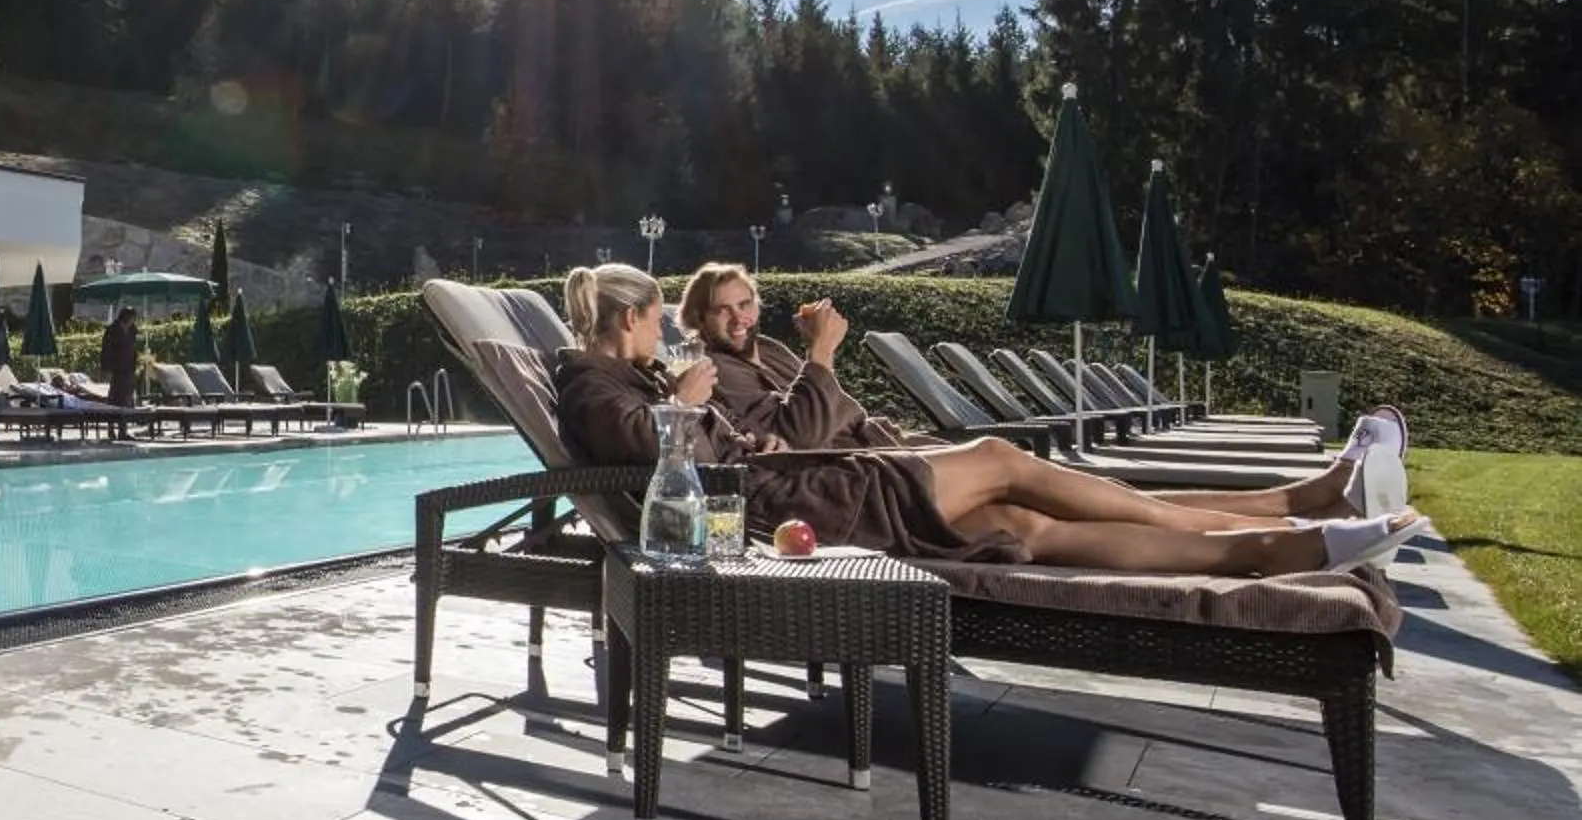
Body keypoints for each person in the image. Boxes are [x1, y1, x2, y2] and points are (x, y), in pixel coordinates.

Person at [553, 262, 1422, 576]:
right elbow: (668, 445)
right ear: (628, 319)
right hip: (806, 498)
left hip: (813, 476)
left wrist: (711, 412)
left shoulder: (637, 373)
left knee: (1018, 521)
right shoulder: (599, 383)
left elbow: (745, 431)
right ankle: (1299, 511)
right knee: (1006, 455)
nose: (668, 329)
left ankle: (1280, 537)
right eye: (662, 316)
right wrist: (693, 407)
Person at [680, 262, 902, 451]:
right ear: (699, 320)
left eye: (744, 305)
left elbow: (835, 405)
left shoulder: (768, 348)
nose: (739, 319)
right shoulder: (712, 368)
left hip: (873, 439)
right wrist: (820, 349)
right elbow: (803, 436)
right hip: (845, 461)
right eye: (723, 310)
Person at [98, 305, 140, 406]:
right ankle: (113, 412)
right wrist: (106, 368)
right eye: (131, 318)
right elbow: (106, 349)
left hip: (129, 366)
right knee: (116, 391)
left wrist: (135, 362)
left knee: (128, 389)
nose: (132, 321)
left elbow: (134, 347)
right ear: (126, 317)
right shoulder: (113, 330)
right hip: (116, 366)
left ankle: (128, 410)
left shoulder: (132, 330)